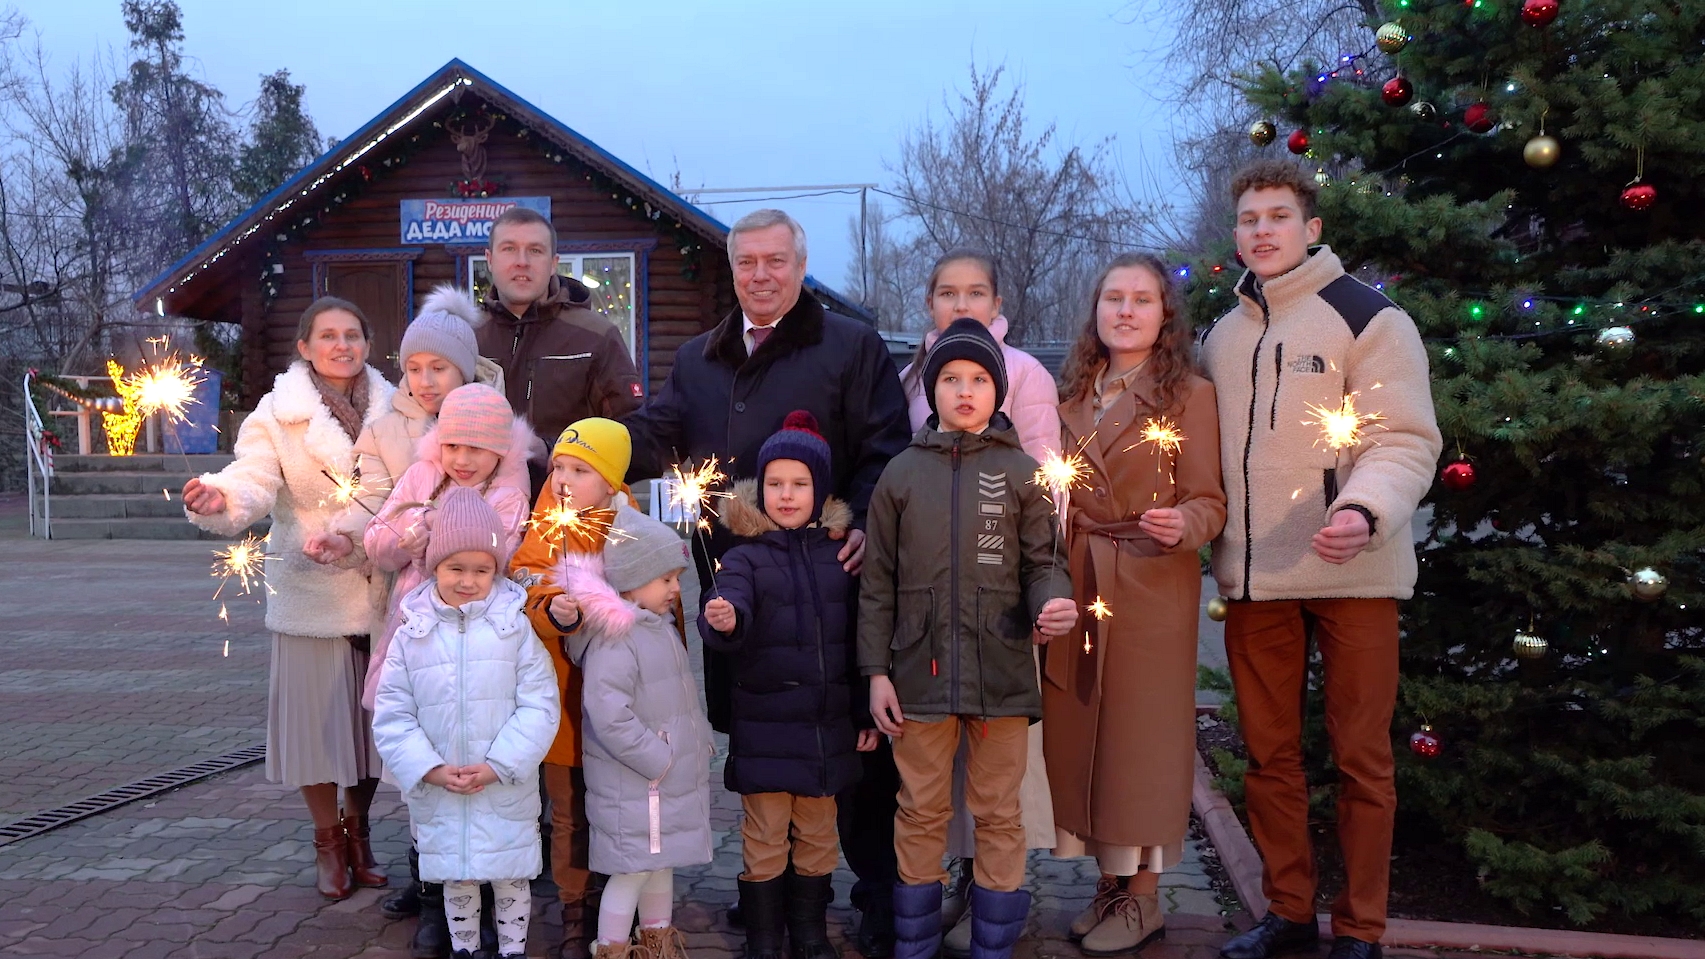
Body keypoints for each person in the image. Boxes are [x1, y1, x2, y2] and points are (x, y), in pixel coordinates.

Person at [622, 208, 910, 955]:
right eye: (746, 261)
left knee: (849, 751)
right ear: (732, 269)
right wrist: (586, 451)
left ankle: (875, 894)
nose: (760, 274)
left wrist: (861, 521)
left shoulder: (849, 345)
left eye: (775, 260)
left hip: (830, 589)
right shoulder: (699, 357)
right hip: (739, 588)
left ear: (800, 265)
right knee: (759, 746)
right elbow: (654, 431)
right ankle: (770, 894)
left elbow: (886, 447)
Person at [1203, 160, 1442, 959]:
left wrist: (1362, 509)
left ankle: (1361, 929)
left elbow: (1402, 439)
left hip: (1353, 572)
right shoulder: (1221, 336)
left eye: (1277, 216)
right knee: (1268, 757)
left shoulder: (1369, 319)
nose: (1260, 230)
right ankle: (1287, 912)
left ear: (1310, 229)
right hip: (1254, 581)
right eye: (1248, 219)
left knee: (1361, 760)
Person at [858, 318, 1076, 959]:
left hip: (1001, 672)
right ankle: (915, 946)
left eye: (979, 379)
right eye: (950, 378)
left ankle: (993, 947)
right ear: (931, 390)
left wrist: (1052, 601)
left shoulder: (1023, 472)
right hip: (916, 676)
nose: (964, 390)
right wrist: (876, 672)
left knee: (999, 813)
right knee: (920, 810)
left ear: (998, 391)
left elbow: (1045, 564)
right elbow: (877, 584)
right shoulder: (900, 475)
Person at [1043, 253, 1227, 954]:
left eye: (1141, 299)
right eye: (1113, 297)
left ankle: (1144, 898)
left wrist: (1185, 523)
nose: (1125, 310)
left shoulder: (1190, 396)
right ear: (1095, 309)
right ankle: (1111, 884)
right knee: (1085, 736)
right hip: (1077, 578)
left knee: (1139, 744)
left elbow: (1209, 499)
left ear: (1164, 315)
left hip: (1150, 584)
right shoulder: (1071, 391)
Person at [181, 297, 395, 900]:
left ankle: (360, 835)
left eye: (352, 334)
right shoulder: (276, 414)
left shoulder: (396, 406)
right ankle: (328, 842)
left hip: (381, 589)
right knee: (314, 734)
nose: (341, 345)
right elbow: (253, 475)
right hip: (311, 593)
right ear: (304, 347)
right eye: (328, 335)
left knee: (373, 734)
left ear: (367, 344)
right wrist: (223, 498)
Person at [896, 250, 1061, 956]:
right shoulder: (913, 376)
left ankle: (987, 905)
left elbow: (1044, 501)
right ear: (929, 301)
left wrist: (1042, 594)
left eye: (975, 292)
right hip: (929, 628)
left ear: (998, 303)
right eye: (946, 292)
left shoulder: (1022, 373)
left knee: (995, 795)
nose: (960, 304)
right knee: (927, 794)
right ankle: (937, 904)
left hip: (996, 616)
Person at [698, 411, 877, 959]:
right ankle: (763, 938)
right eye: (775, 483)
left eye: (799, 484)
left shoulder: (841, 558)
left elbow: (860, 639)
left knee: (819, 837)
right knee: (765, 835)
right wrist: (725, 619)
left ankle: (809, 933)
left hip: (826, 729)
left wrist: (864, 713)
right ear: (760, 490)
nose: (786, 494)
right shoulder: (744, 556)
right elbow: (729, 602)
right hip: (766, 727)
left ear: (820, 492)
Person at [372, 487, 561, 959]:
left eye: (482, 569)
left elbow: (539, 705)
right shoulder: (412, 633)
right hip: (442, 787)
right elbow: (393, 714)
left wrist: (501, 765)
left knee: (511, 875)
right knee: (456, 876)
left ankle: (513, 951)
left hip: (502, 785)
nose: (468, 581)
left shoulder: (515, 627)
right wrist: (428, 768)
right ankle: (464, 949)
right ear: (434, 566)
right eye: (456, 568)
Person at [506, 417, 640, 959]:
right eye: (558, 467)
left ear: (609, 482)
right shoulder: (544, 528)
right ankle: (574, 909)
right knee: (568, 811)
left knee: (619, 807)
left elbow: (662, 609)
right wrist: (552, 609)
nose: (563, 478)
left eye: (580, 470)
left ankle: (621, 904)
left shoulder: (631, 531)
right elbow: (524, 583)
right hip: (562, 697)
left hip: (620, 704)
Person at [561, 512, 713, 959]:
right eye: (665, 579)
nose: (674, 588)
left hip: (658, 786)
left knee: (660, 865)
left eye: (676, 578)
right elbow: (608, 713)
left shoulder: (655, 627)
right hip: (637, 786)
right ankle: (611, 949)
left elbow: (680, 700)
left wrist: (698, 738)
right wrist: (658, 758)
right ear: (631, 582)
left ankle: (656, 945)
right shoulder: (617, 637)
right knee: (630, 873)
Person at [475, 206, 645, 490]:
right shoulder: (465, 337)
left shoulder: (595, 337)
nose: (522, 262)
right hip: (479, 506)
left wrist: (553, 450)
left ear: (553, 263)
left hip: (569, 506)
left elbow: (631, 433)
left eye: (535, 250)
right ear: (489, 260)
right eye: (509, 249)